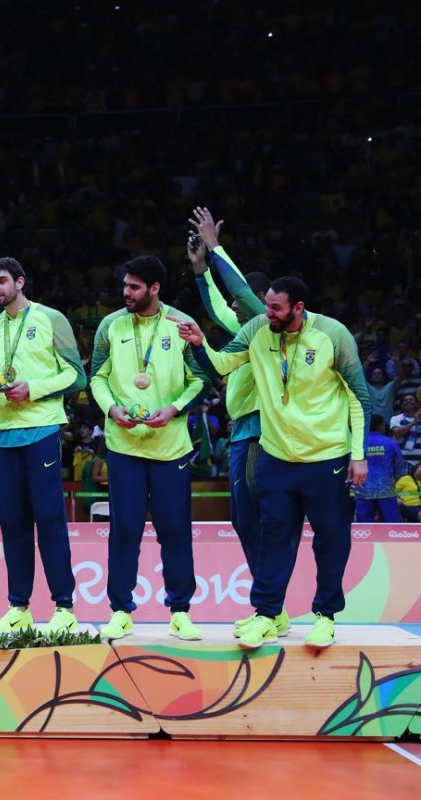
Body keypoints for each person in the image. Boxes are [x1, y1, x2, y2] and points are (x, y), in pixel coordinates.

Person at [176, 275, 370, 650]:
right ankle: (266, 615)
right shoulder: (257, 330)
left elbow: (358, 397)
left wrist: (358, 454)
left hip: (326, 456)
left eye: (276, 308)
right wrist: (200, 346)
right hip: (275, 455)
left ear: (298, 308)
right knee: (272, 537)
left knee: (330, 537)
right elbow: (220, 366)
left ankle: (325, 617)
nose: (268, 313)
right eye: (266, 305)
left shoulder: (333, 334)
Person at [89, 256, 210, 642]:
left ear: (155, 288)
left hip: (170, 446)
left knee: (174, 530)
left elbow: (200, 378)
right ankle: (120, 610)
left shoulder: (180, 324)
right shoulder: (111, 325)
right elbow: (97, 376)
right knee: (124, 529)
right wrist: (112, 408)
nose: (126, 293)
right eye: (125, 286)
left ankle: (180, 611)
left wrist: (174, 409)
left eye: (134, 287)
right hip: (124, 445)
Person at [0, 258, 87, 635]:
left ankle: (64, 607)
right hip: (2, 434)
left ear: (20, 282)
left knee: (49, 518)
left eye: (2, 281)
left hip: (40, 430)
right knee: (11, 521)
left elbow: (75, 374)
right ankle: (18, 605)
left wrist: (33, 389)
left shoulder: (50, 319)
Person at [186, 207, 274, 632]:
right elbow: (220, 306)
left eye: (239, 305)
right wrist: (201, 269)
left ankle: (270, 608)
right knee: (244, 520)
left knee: (258, 517)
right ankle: (270, 605)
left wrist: (217, 251)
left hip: (261, 431)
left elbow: (242, 299)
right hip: (242, 432)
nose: (231, 312)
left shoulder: (265, 327)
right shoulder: (245, 331)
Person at [354, 416, 404, 523]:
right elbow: (400, 467)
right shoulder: (390, 443)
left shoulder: (358, 444)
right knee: (392, 527)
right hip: (386, 490)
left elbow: (351, 465)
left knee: (363, 530)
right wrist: (393, 480)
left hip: (363, 490)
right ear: (381, 426)